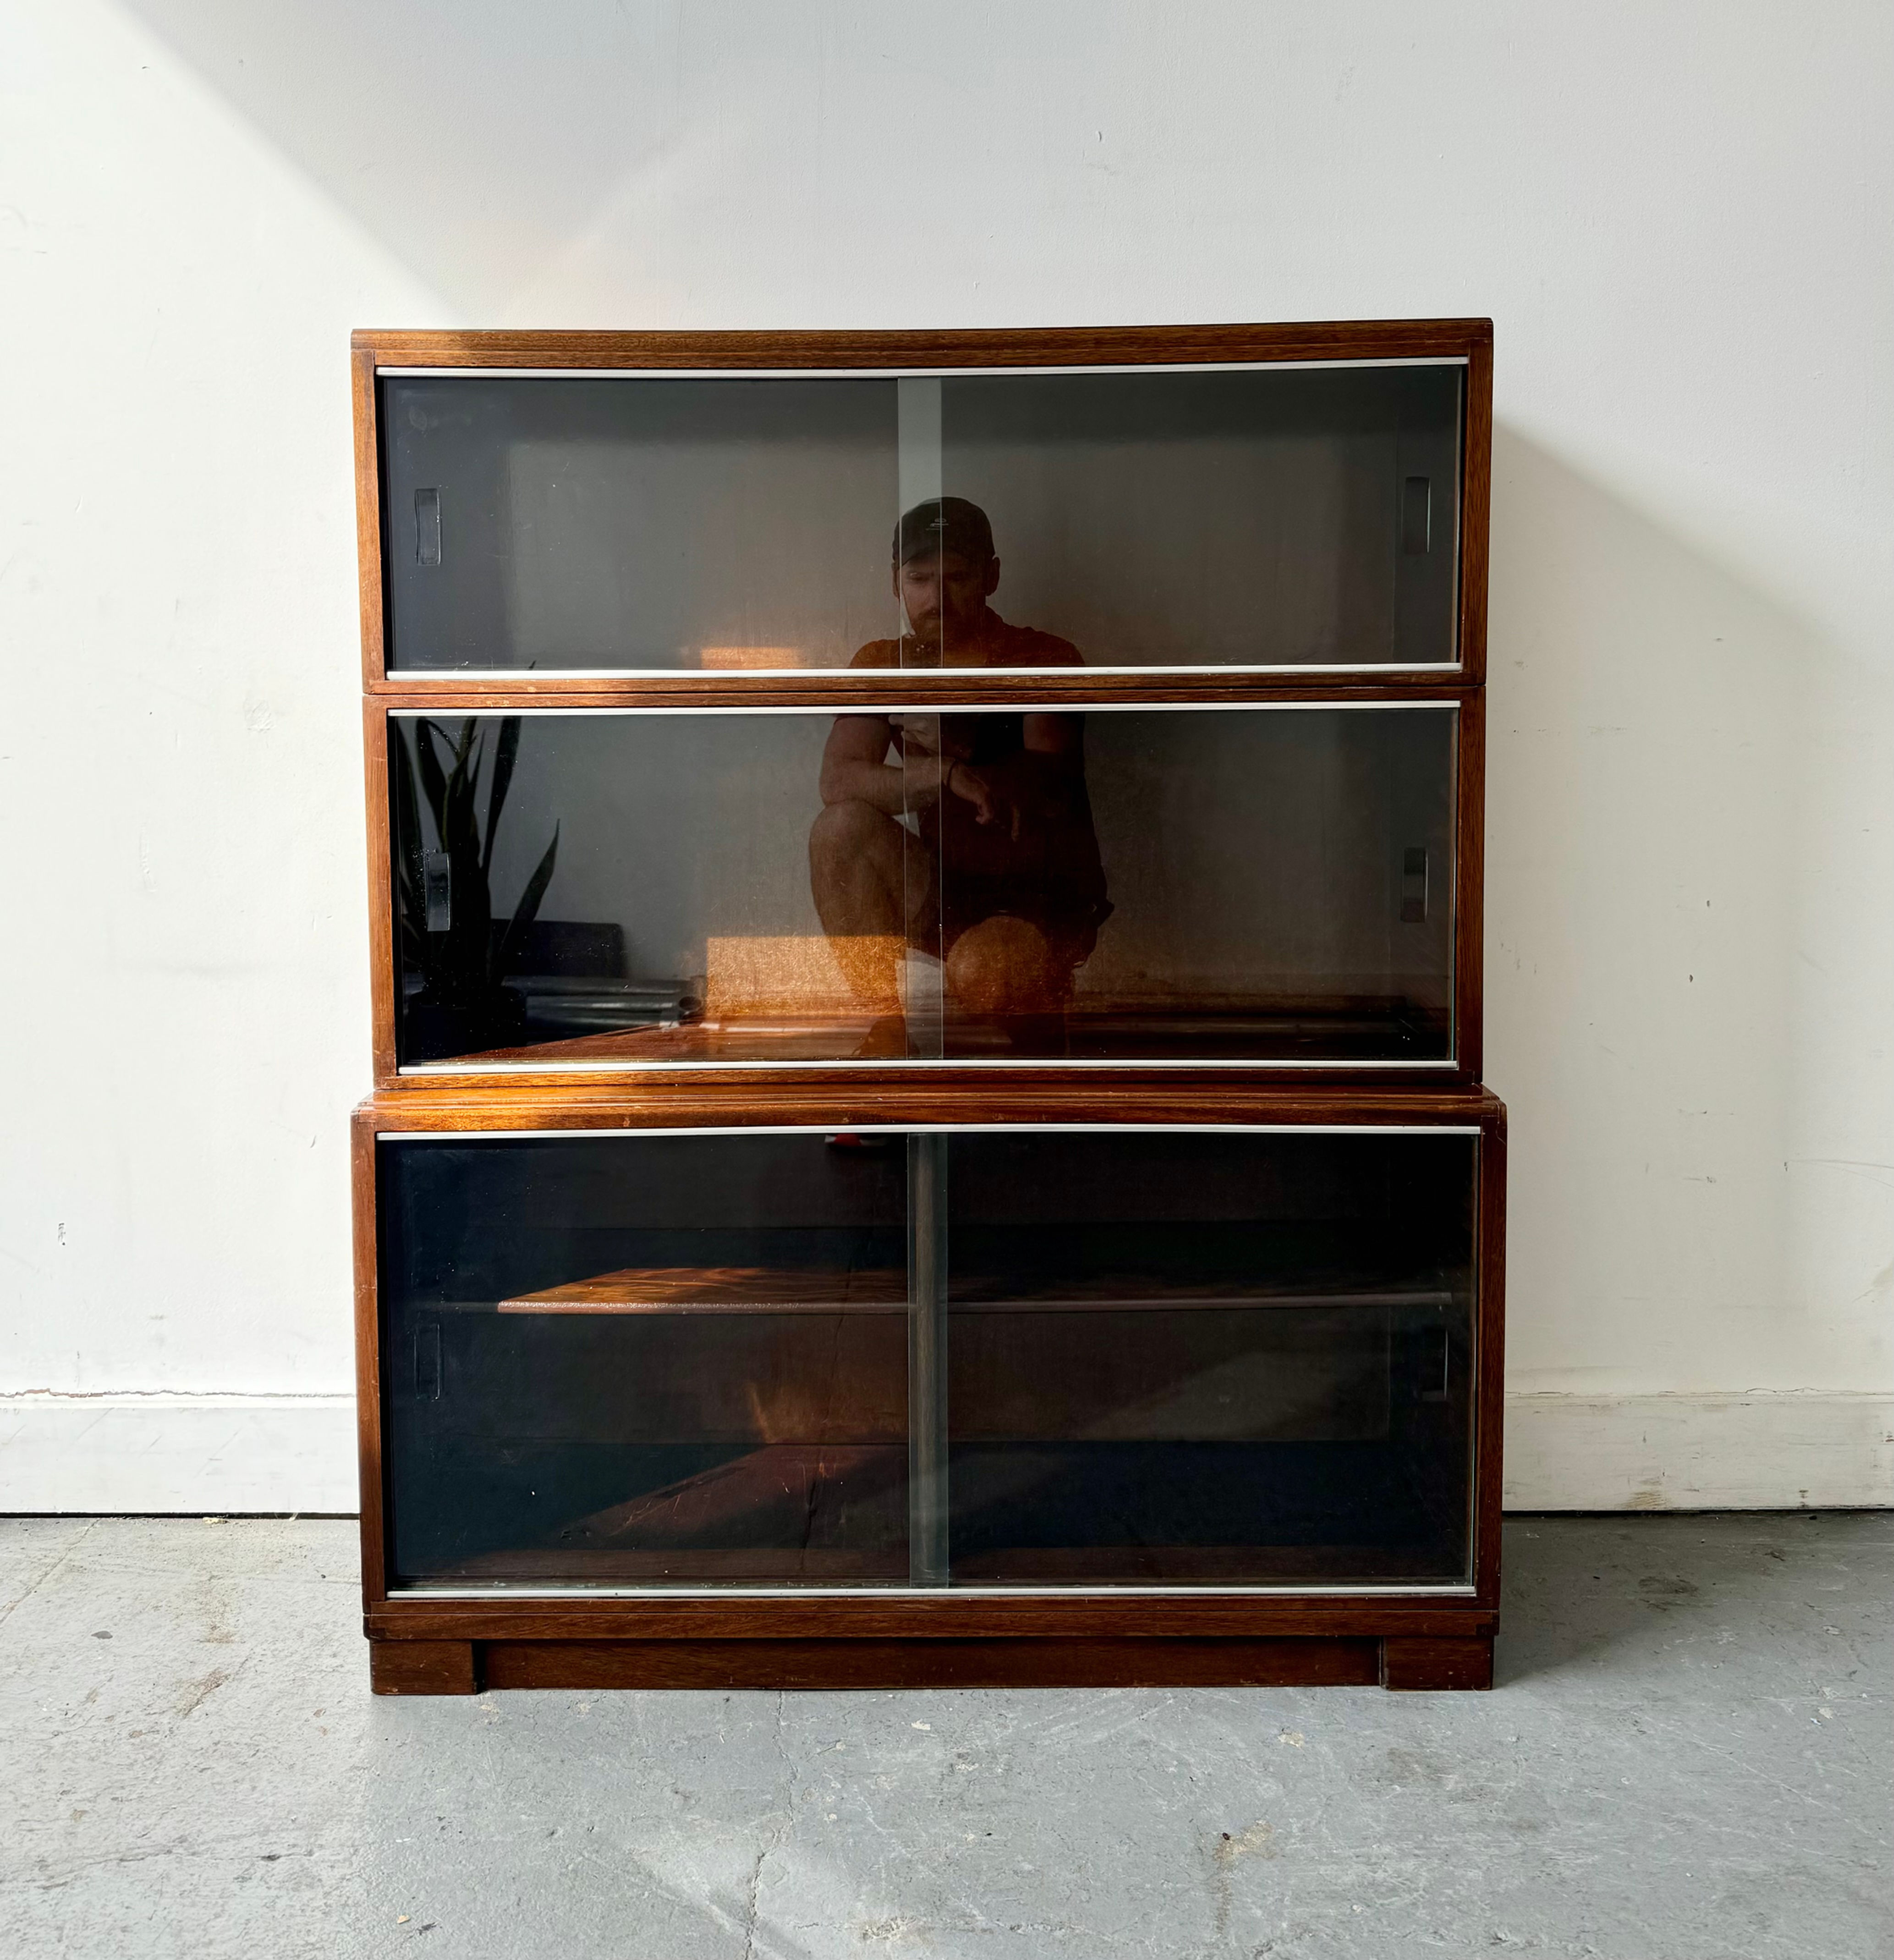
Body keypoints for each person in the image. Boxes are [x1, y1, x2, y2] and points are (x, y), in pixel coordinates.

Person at [808, 498, 1110, 1052]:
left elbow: (1050, 790)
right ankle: (887, 1033)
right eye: (919, 579)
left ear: (990, 577)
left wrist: (958, 744)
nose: (936, 599)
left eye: (956, 578)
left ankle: (1042, 1031)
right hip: (944, 884)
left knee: (987, 977)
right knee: (838, 830)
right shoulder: (884, 663)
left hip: (1039, 893)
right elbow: (838, 781)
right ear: (895, 583)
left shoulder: (1041, 656)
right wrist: (941, 772)